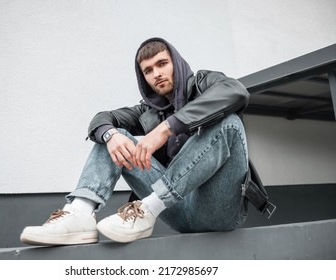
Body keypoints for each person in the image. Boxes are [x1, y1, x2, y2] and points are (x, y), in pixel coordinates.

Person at [20, 37, 250, 245]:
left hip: (218, 207)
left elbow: (235, 91)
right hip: (175, 210)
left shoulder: (204, 82)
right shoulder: (147, 111)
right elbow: (103, 119)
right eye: (148, 70)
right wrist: (111, 135)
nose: (156, 74)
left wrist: (166, 128)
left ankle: (148, 207)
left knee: (228, 122)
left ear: (176, 64)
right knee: (115, 137)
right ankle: (80, 213)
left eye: (162, 64)